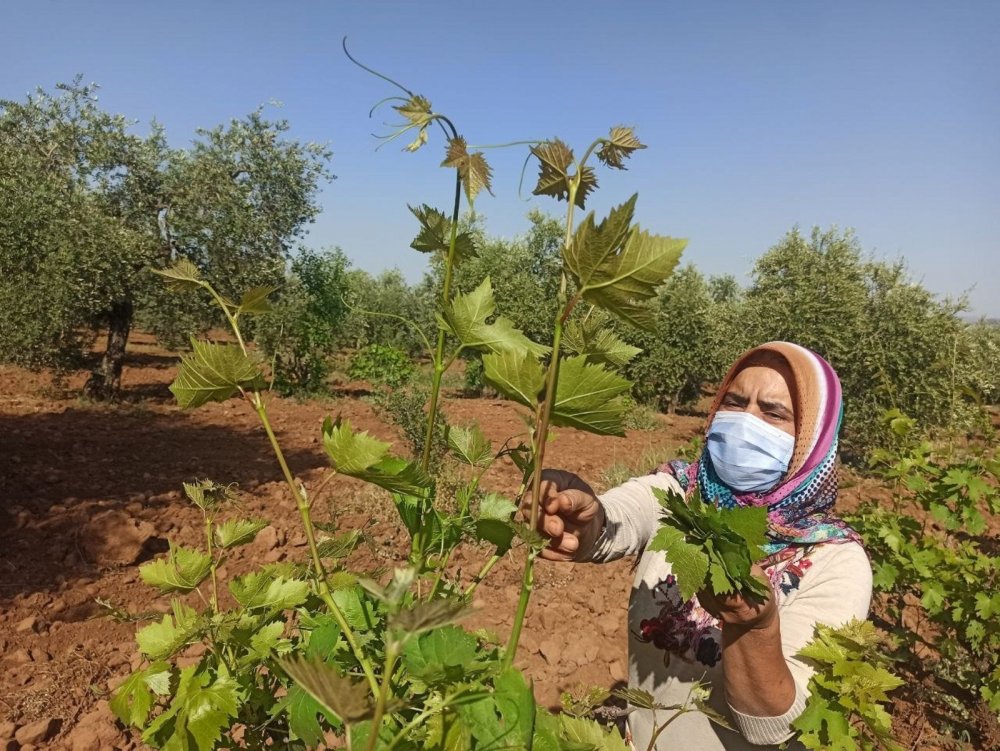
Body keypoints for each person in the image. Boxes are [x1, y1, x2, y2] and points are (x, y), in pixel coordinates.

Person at [526, 341, 872, 750]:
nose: (745, 422)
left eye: (773, 412)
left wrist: (754, 627)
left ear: (814, 436)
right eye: (735, 401)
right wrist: (583, 518)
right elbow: (615, 520)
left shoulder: (836, 561)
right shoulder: (682, 497)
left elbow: (774, 726)